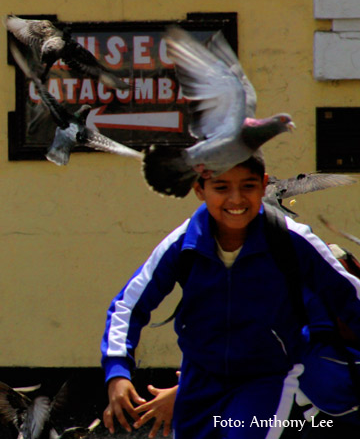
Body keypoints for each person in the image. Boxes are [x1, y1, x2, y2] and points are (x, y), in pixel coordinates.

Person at [100, 153, 360, 438]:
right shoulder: (183, 245)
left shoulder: (293, 244)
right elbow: (128, 305)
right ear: (200, 189)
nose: (235, 200)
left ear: (263, 187)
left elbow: (349, 300)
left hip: (276, 383)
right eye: (221, 187)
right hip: (200, 383)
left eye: (247, 186)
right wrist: (117, 371)